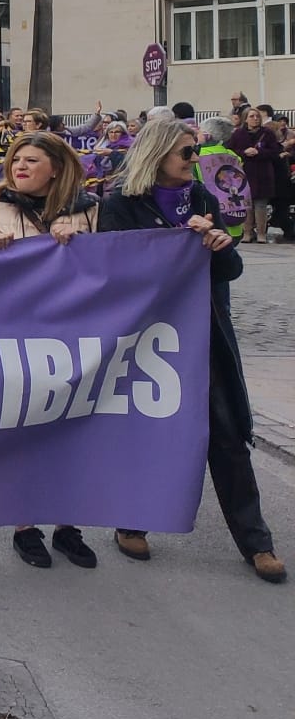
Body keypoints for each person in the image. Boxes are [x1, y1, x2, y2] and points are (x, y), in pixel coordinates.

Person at [99, 119, 283, 582]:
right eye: (186, 152)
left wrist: (218, 244)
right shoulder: (121, 204)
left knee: (226, 436)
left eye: (194, 151)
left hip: (205, 334)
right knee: (149, 431)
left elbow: (231, 270)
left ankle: (257, 542)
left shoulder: (201, 198)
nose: (194, 160)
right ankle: (132, 522)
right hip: (150, 341)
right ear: (158, 154)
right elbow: (114, 272)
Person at [0, 132, 100, 571]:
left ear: (55, 167)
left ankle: (68, 525)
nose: (19, 166)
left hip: (76, 335)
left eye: (31, 160)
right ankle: (25, 526)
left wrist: (77, 230)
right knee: (24, 431)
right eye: (16, 159)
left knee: (73, 432)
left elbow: (119, 262)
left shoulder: (90, 209)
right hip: (17, 335)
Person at [235, 106, 281, 243]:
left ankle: (261, 233)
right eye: (251, 116)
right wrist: (244, 152)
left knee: (260, 205)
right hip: (245, 172)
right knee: (246, 204)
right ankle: (247, 233)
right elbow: (231, 150)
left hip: (263, 173)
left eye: (257, 116)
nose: (255, 119)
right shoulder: (238, 134)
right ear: (245, 119)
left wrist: (259, 152)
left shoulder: (267, 133)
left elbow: (274, 152)